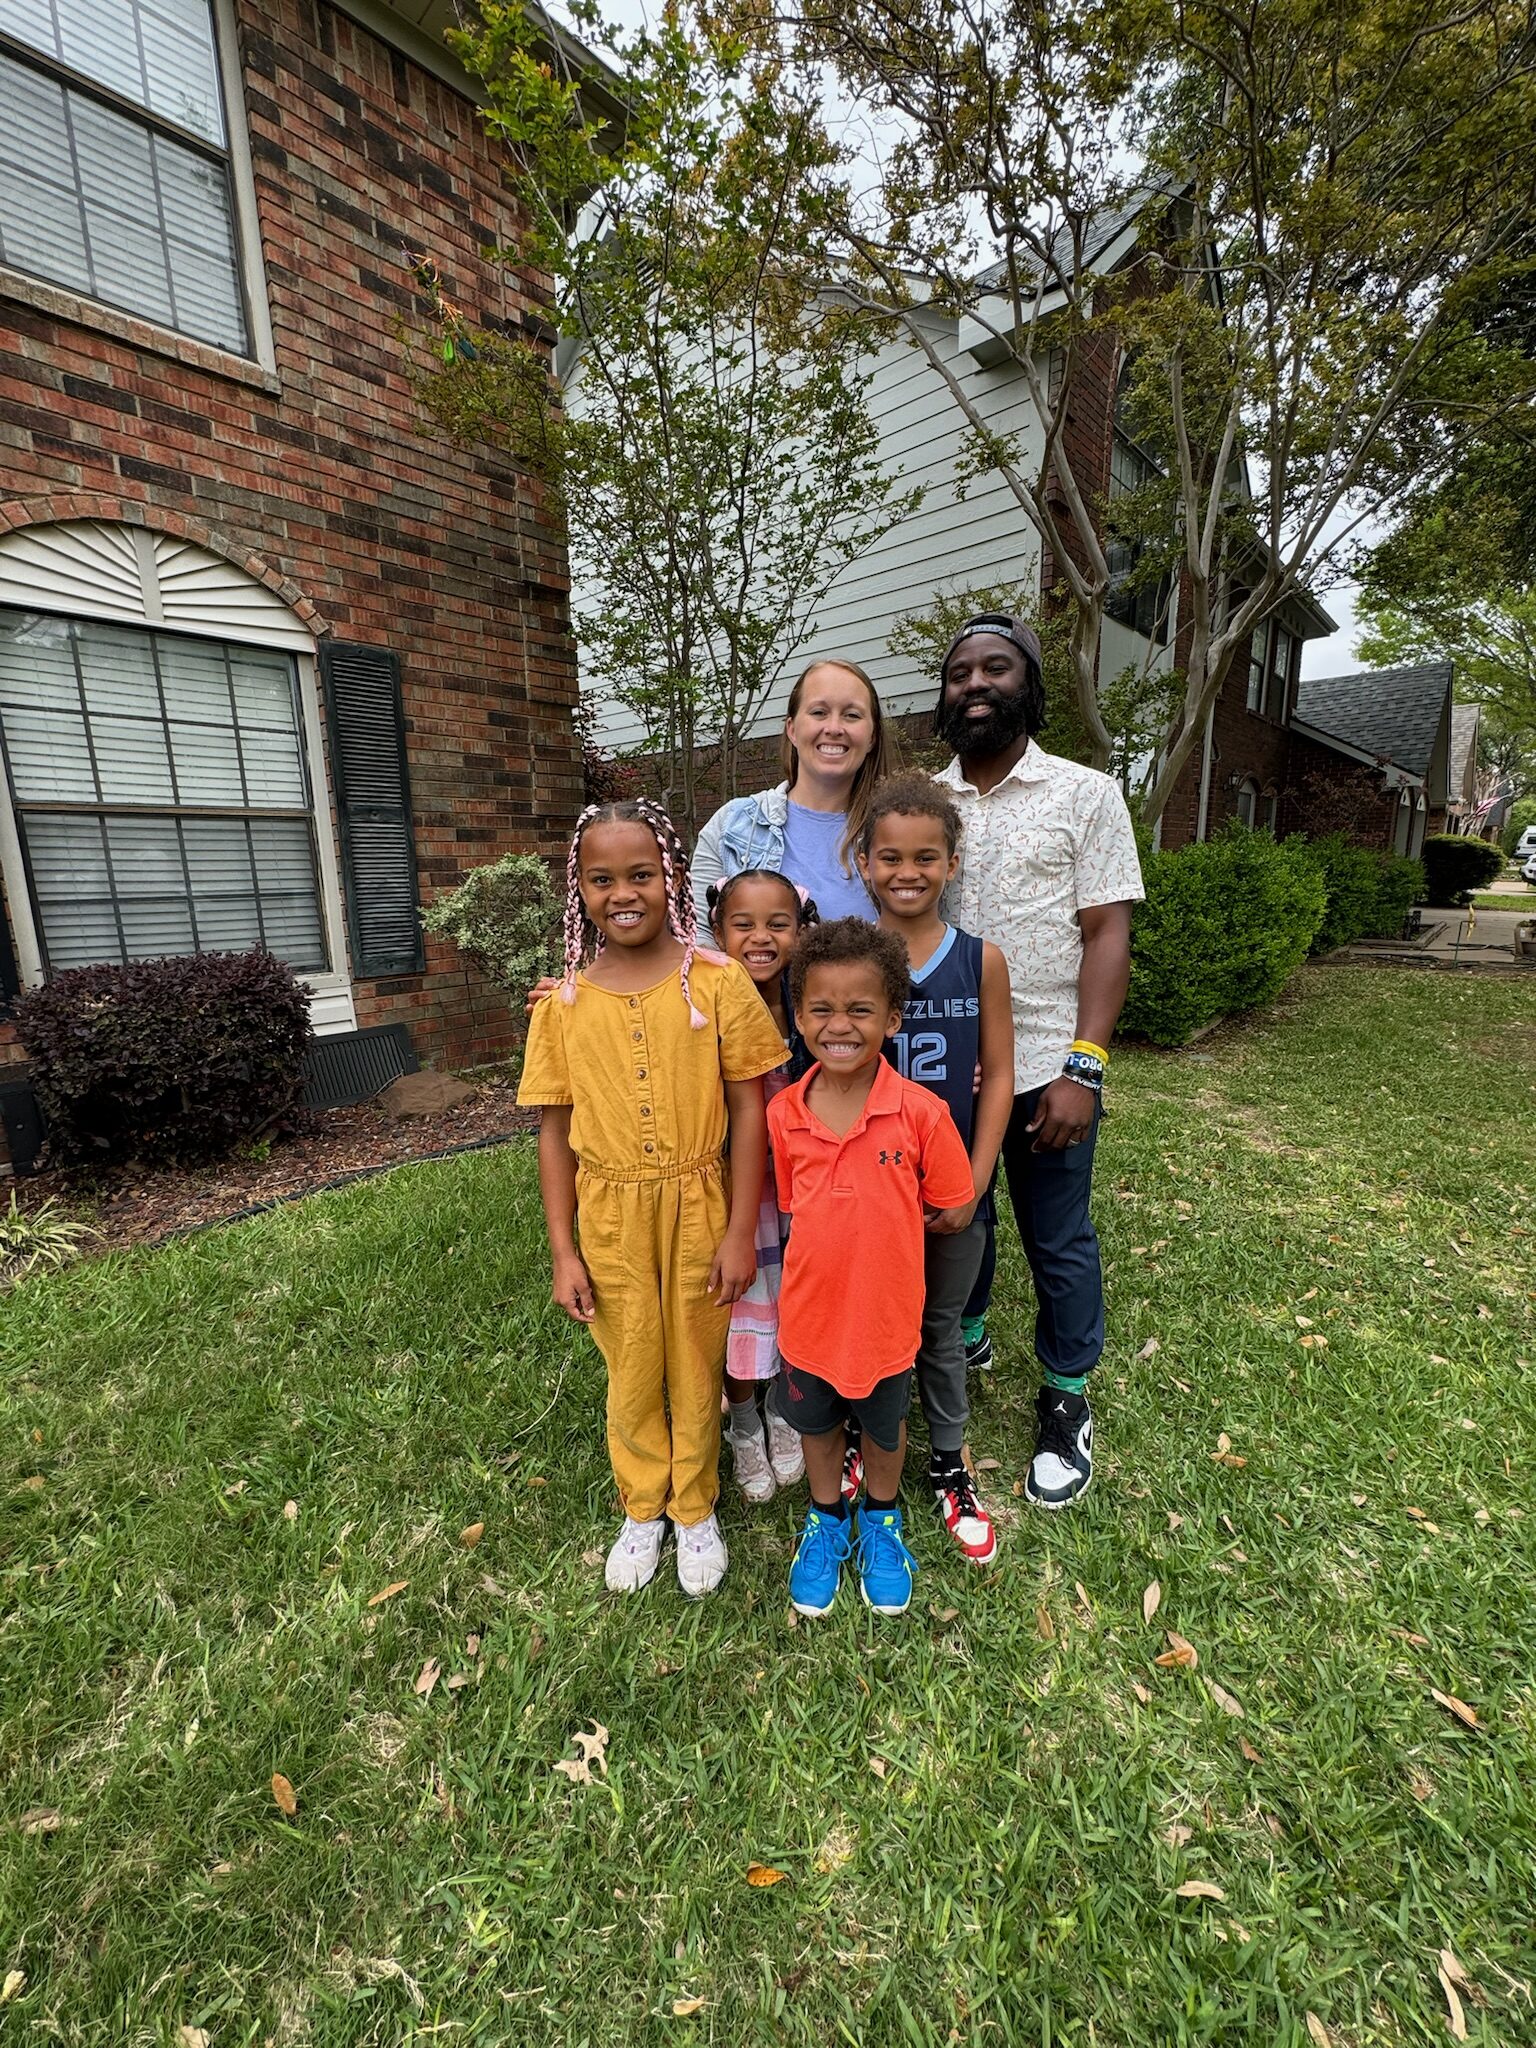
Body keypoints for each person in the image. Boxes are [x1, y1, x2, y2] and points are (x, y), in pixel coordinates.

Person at [517, 799, 787, 1597]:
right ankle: (644, 1505)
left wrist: (741, 1230)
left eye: (641, 874)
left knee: (697, 1362)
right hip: (609, 1215)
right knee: (633, 1361)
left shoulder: (718, 982)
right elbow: (552, 1134)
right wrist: (564, 1250)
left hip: (701, 1202)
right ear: (579, 889)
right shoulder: (562, 1006)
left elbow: (750, 1108)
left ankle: (695, 1503)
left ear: (672, 878)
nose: (622, 893)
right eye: (601, 879)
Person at [932, 614, 1143, 1510]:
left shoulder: (1085, 794)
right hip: (942, 1068)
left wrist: (1084, 1067)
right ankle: (968, 1330)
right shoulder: (920, 800)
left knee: (1057, 1238)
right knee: (955, 1218)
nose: (975, 684)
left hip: (1048, 1065)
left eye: (996, 668)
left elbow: (1108, 932)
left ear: (1029, 684)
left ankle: (1067, 1399)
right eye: (959, 673)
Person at [768, 918, 975, 1619]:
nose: (839, 1025)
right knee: (819, 1431)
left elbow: (954, 1204)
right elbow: (796, 1203)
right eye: (821, 1009)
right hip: (809, 1321)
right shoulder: (782, 1114)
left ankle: (881, 1520)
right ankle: (827, 1520)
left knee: (885, 1432)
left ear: (892, 1017)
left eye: (860, 1010)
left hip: (886, 1323)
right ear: (798, 1017)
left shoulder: (922, 1113)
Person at [856, 773, 1014, 1565]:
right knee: (870, 1328)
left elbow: (1000, 1079)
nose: (907, 872)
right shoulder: (848, 956)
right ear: (864, 862)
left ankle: (949, 1464)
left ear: (952, 865)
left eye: (926, 857)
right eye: (890, 857)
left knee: (939, 1329)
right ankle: (866, 1441)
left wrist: (977, 1180)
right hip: (866, 1195)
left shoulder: (981, 962)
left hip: (954, 1195)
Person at [705, 868, 817, 1504]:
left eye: (778, 924)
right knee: (741, 1305)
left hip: (806, 1191)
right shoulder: (701, 1004)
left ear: (801, 930)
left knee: (798, 1302)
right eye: (742, 924)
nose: (761, 938)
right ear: (718, 931)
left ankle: (783, 1410)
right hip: (736, 1190)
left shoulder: (810, 1006)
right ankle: (744, 1420)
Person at [690, 660, 894, 919]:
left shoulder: (897, 832)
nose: (833, 728)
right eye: (819, 712)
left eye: (852, 715)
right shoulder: (733, 825)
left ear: (872, 737)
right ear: (792, 729)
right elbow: (701, 942)